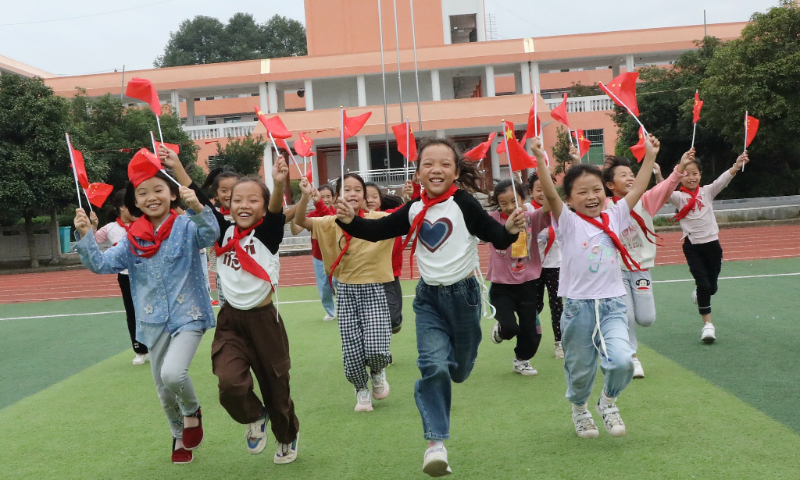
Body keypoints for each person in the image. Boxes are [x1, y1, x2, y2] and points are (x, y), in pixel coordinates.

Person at [336, 137, 525, 477]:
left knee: (460, 368)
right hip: (429, 300)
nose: (436, 169)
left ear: (455, 171)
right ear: (418, 171)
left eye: (445, 164)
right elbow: (377, 230)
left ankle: (461, 363)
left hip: (464, 297)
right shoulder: (412, 209)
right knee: (433, 366)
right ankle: (435, 445)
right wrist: (350, 220)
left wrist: (510, 229)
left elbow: (494, 235)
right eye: (428, 164)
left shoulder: (464, 203)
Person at [74, 149, 218, 464]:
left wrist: (197, 207)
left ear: (172, 194)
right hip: (152, 322)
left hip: (188, 316)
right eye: (143, 193)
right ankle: (179, 436)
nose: (151, 197)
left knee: (173, 374)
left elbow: (211, 234)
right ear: (135, 203)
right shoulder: (131, 239)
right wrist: (86, 235)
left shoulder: (186, 227)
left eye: (158, 190)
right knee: (164, 392)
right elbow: (101, 264)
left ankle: (192, 411)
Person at [161, 147, 301, 464]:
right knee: (229, 383)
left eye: (253, 200)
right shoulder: (221, 230)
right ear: (228, 203)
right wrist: (178, 166)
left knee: (276, 388)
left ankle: (287, 437)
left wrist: (279, 183)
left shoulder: (268, 232)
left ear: (263, 206)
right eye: (237, 199)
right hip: (230, 321)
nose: (243, 204)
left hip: (265, 321)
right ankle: (254, 416)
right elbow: (197, 196)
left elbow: (278, 210)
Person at [533, 134, 659, 439]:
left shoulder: (616, 214)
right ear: (570, 198)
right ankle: (579, 409)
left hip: (613, 304)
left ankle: (608, 402)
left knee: (622, 361)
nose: (591, 197)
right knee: (580, 370)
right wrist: (539, 159)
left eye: (597, 190)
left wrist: (650, 156)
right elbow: (550, 196)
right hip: (578, 308)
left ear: (606, 191)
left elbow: (640, 187)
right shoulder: (568, 221)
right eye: (582, 192)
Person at [294, 173, 395, 413]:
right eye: (346, 190)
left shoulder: (377, 218)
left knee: (376, 348)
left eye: (357, 190)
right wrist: (305, 197)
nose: (352, 194)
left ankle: (378, 372)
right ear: (338, 196)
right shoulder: (328, 222)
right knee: (352, 350)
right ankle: (361, 389)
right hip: (346, 292)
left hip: (374, 290)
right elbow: (299, 221)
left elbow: (405, 218)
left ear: (364, 196)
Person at [602, 149, 695, 378]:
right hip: (616, 270)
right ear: (610, 185)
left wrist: (680, 166)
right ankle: (632, 357)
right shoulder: (605, 206)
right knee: (627, 316)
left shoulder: (645, 200)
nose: (630, 177)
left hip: (641, 267)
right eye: (623, 175)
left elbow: (665, 188)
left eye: (632, 173)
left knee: (646, 318)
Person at [667, 151, 750, 343]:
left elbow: (723, 180)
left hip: (713, 246)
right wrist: (657, 175)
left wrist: (736, 166)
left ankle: (700, 293)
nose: (691, 177)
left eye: (695, 173)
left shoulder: (707, 192)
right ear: (680, 175)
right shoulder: (678, 197)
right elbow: (664, 190)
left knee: (711, 287)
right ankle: (708, 326)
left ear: (700, 175)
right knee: (703, 284)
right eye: (686, 173)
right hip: (693, 247)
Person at [486, 179, 551, 375]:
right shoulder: (493, 219)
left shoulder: (532, 218)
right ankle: (502, 329)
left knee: (530, 330)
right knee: (510, 328)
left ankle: (522, 360)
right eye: (503, 203)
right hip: (501, 285)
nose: (509, 207)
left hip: (528, 284)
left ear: (524, 199)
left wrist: (542, 167)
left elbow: (551, 205)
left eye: (514, 201)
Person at [90, 190, 148, 365]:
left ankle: (158, 345)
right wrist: (92, 226)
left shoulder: (146, 224)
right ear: (122, 208)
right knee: (132, 312)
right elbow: (91, 243)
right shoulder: (110, 228)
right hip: (126, 277)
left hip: (148, 275)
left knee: (152, 309)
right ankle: (139, 349)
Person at [528, 172, 564, 359]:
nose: (542, 193)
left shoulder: (559, 209)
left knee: (557, 305)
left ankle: (559, 343)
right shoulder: (527, 209)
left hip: (554, 265)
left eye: (546, 189)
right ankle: (527, 334)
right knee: (535, 305)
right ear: (531, 191)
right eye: (538, 189)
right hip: (533, 265)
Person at [290, 184, 338, 321]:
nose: (326, 200)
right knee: (324, 288)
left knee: (339, 283)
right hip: (319, 257)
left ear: (334, 198)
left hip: (337, 256)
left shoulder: (338, 213)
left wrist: (320, 204)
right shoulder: (312, 216)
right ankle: (330, 312)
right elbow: (295, 231)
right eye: (322, 197)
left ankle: (344, 308)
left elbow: (333, 224)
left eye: (328, 196)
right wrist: (292, 217)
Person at [366, 182, 406, 334]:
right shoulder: (356, 220)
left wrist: (409, 195)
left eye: (374, 196)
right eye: (366, 196)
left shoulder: (390, 216)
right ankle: (378, 346)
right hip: (366, 276)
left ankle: (393, 324)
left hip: (390, 274)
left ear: (380, 200)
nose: (370, 200)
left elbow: (405, 210)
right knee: (371, 318)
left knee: (393, 320)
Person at [201, 167, 241, 306]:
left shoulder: (252, 215)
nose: (229, 194)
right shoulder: (214, 217)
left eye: (234, 189)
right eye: (224, 190)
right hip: (224, 274)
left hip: (248, 273)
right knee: (227, 315)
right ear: (216, 194)